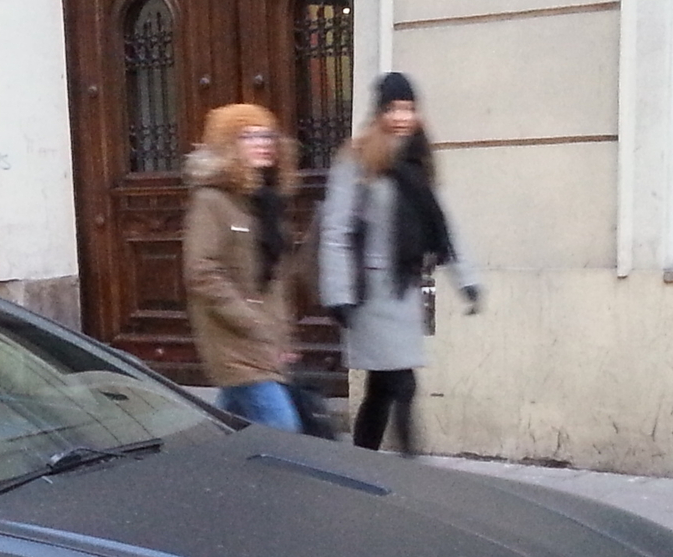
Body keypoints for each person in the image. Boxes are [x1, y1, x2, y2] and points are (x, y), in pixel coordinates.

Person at [319, 71, 479, 453]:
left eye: (408, 108)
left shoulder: (418, 162)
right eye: (393, 108)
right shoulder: (356, 160)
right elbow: (336, 229)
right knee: (402, 385)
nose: (402, 117)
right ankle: (410, 464)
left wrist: (467, 279)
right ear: (379, 113)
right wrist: (337, 292)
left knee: (381, 389)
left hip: (404, 290)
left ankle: (362, 461)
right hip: (369, 294)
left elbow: (443, 224)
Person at [181, 102, 303, 431]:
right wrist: (251, 322)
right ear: (228, 146)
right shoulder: (213, 201)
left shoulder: (265, 202)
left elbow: (274, 281)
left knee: (233, 427)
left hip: (261, 344)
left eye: (266, 134)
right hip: (232, 342)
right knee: (283, 430)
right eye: (248, 136)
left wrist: (281, 338)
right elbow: (202, 271)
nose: (263, 142)